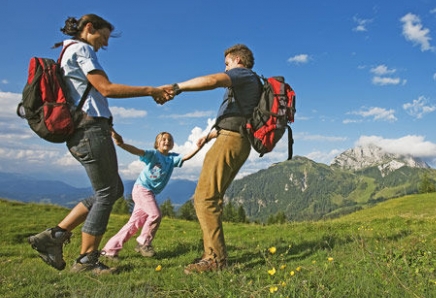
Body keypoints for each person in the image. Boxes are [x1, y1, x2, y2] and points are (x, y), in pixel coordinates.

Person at [27, 14, 174, 275]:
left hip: (85, 130)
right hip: (89, 131)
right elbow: (105, 88)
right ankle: (86, 259)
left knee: (112, 188)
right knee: (108, 192)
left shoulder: (66, 52)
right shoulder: (81, 49)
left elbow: (89, 97)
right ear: (88, 28)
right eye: (102, 37)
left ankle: (55, 236)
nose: (103, 44)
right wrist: (151, 89)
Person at [168, 44, 262, 274]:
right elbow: (240, 115)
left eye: (227, 63)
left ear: (238, 60)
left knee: (204, 198)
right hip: (236, 140)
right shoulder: (253, 81)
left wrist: (178, 87)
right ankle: (213, 256)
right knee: (213, 197)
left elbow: (212, 80)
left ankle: (215, 260)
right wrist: (210, 134)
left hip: (230, 140)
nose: (225, 68)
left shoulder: (241, 73)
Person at [101, 131, 200, 260]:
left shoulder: (171, 158)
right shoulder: (153, 155)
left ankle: (109, 250)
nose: (167, 141)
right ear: (157, 143)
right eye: (163, 139)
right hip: (142, 189)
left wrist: (198, 147)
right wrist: (121, 144)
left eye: (169, 140)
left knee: (134, 224)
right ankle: (144, 243)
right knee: (155, 215)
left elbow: (186, 157)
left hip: (149, 193)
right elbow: (137, 151)